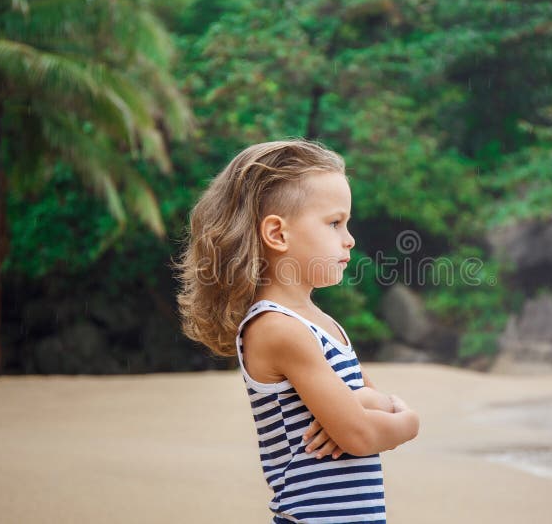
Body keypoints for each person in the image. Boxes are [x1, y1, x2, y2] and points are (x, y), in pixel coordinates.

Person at [176, 139, 420, 523]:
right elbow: (360, 435)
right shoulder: (276, 327)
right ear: (277, 234)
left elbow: (370, 402)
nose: (350, 238)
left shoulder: (322, 324)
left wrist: (363, 408)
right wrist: (408, 421)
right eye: (335, 223)